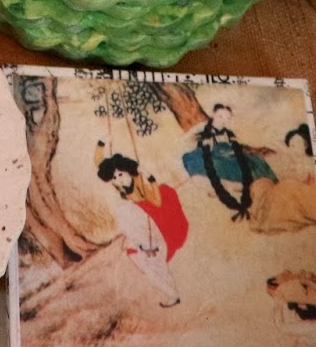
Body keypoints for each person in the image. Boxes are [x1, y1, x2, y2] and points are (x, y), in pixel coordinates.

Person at [95, 141, 189, 307]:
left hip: (154, 230)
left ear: (128, 172)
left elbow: (157, 202)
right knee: (147, 264)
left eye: (121, 175)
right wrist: (101, 144)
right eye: (115, 178)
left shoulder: (139, 186)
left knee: (154, 264)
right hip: (141, 234)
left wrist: (151, 180)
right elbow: (99, 162)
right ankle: (172, 293)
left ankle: (172, 294)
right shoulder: (122, 192)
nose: (119, 180)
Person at [182, 104, 276, 220]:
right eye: (220, 116)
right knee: (212, 164)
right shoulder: (205, 133)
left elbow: (236, 149)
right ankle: (224, 186)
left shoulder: (229, 134)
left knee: (254, 162)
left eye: (227, 118)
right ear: (213, 115)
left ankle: (257, 187)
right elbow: (205, 153)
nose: (223, 121)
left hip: (231, 158)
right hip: (215, 159)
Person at [247, 124, 316, 234]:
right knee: (267, 186)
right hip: (298, 191)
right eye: (290, 145)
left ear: (306, 145)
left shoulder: (309, 162)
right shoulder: (296, 162)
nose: (291, 149)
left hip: (309, 196)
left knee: (275, 190)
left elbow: (300, 181)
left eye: (295, 145)